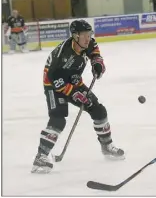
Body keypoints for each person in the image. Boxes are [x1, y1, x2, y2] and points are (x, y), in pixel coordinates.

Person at [31, 19, 125, 174]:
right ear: (75, 36)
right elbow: (55, 79)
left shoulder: (88, 43)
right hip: (53, 85)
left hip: (74, 81)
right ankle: (40, 157)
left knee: (99, 110)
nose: (88, 38)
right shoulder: (63, 54)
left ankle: (107, 147)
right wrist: (74, 93)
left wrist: (97, 63)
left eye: (89, 34)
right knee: (58, 119)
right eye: (85, 35)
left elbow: (94, 52)